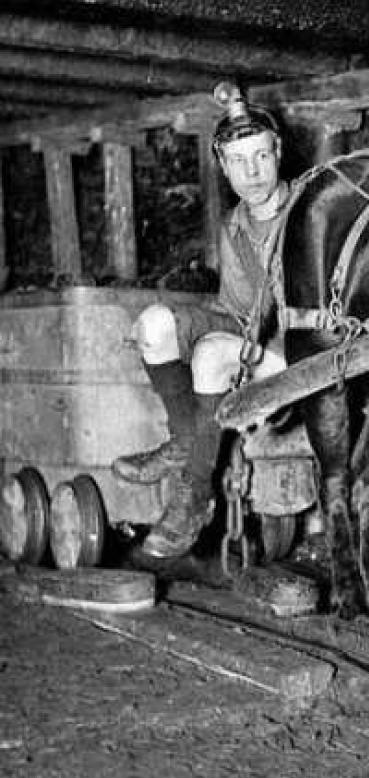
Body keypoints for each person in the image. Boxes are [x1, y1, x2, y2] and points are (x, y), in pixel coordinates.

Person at [113, 83, 290, 559]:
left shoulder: (307, 213)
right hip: (244, 332)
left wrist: (227, 340)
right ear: (224, 166)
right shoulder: (233, 224)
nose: (251, 172)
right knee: (152, 322)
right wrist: (180, 323)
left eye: (260, 157)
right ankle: (188, 439)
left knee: (211, 352)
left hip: (295, 351)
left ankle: (194, 496)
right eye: (238, 161)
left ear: (278, 153)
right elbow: (232, 306)